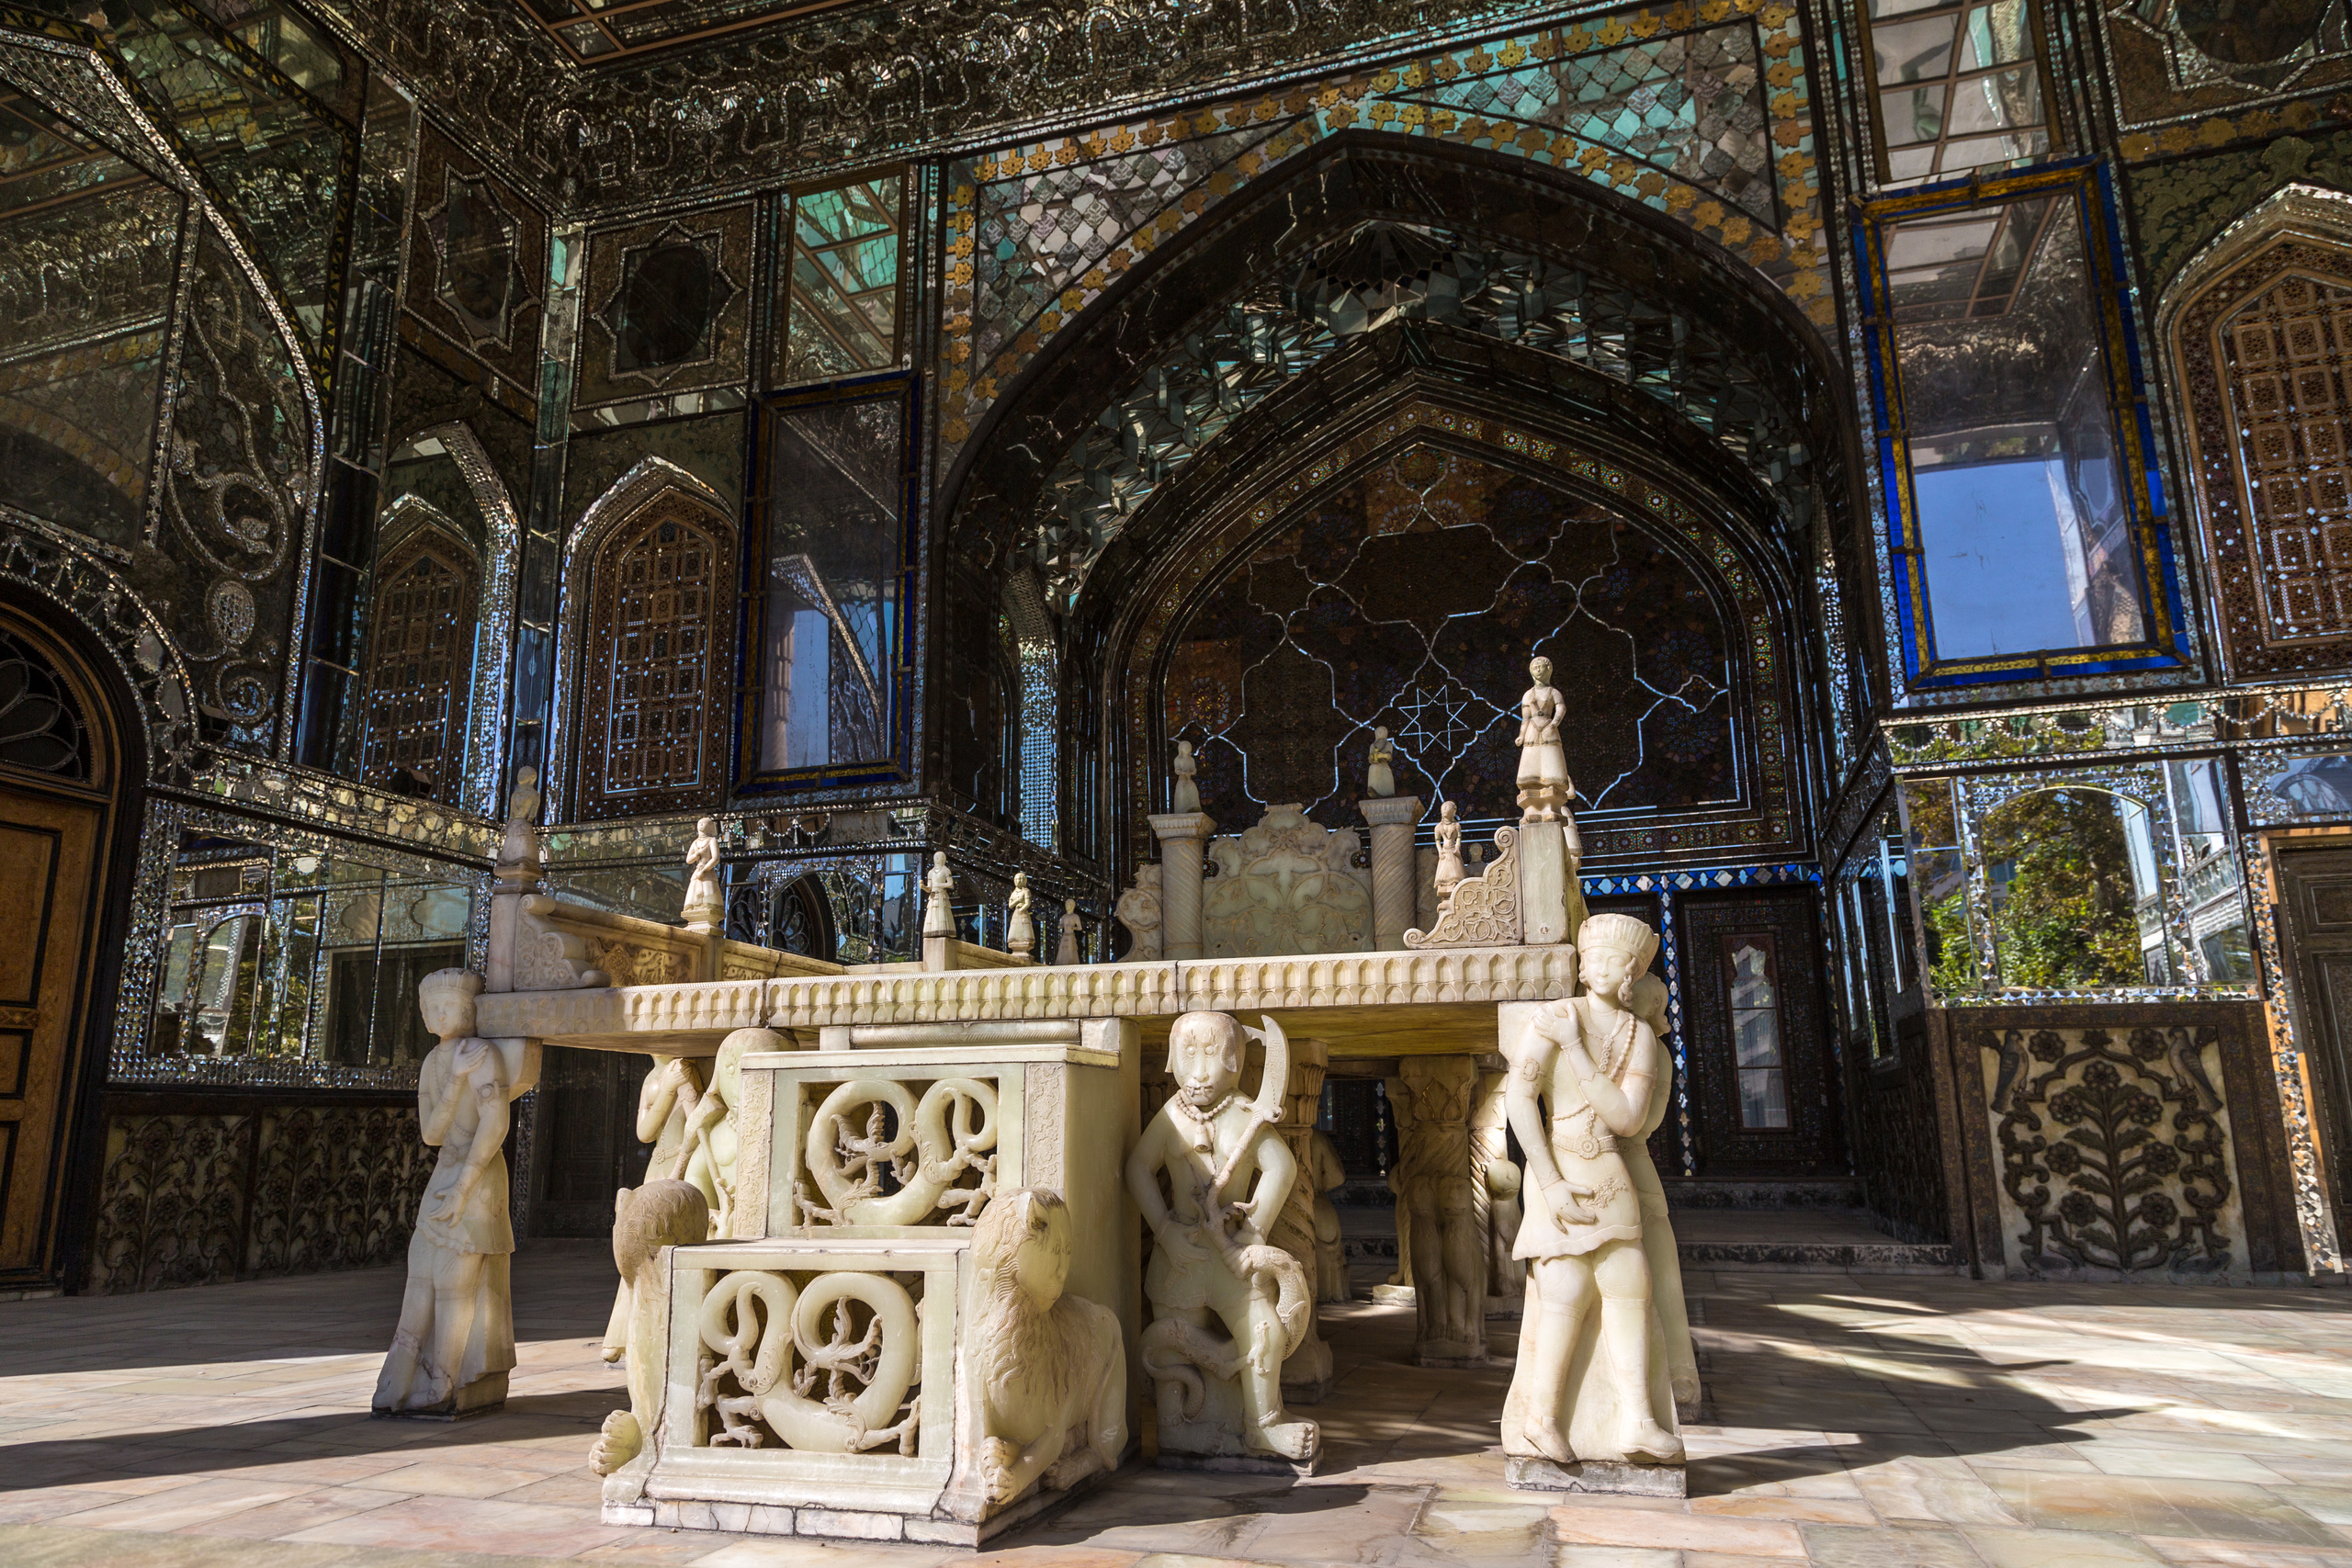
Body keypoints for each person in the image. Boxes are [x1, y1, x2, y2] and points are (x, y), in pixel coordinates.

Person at [1502, 913, 1682, 1465]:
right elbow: (1519, 1099)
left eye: (1612, 960)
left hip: (1609, 1170)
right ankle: (1542, 1419)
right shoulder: (1554, 1017)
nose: (1597, 966)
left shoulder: (1638, 1038)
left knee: (1632, 1283)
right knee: (1566, 1291)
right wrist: (1550, 1183)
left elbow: (1627, 1119)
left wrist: (1577, 1049)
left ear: (1631, 972)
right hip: (1558, 1170)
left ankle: (1637, 1420)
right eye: (1592, 956)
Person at [375, 970, 535, 1416]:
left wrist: (465, 1187)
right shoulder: (433, 1063)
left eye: (449, 1007)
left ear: (468, 1011)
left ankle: (443, 1381)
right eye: (432, 1009)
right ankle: (399, 1380)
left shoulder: (482, 1054)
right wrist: (454, 1081)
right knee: (420, 1275)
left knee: (453, 1283)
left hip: (476, 1176)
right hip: (445, 1171)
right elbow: (431, 1133)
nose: (439, 1015)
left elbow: (495, 1123)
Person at [1515, 656, 1572, 822]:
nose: (1538, 670)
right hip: (1532, 732)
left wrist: (1554, 724)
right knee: (1531, 769)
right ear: (1531, 671)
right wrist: (1521, 735)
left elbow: (1561, 708)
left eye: (1542, 667)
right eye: (1535, 667)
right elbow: (1525, 718)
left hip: (1548, 731)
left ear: (1549, 670)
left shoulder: (1554, 692)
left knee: (1550, 767)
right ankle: (1531, 808)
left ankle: (1549, 806)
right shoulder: (1527, 695)